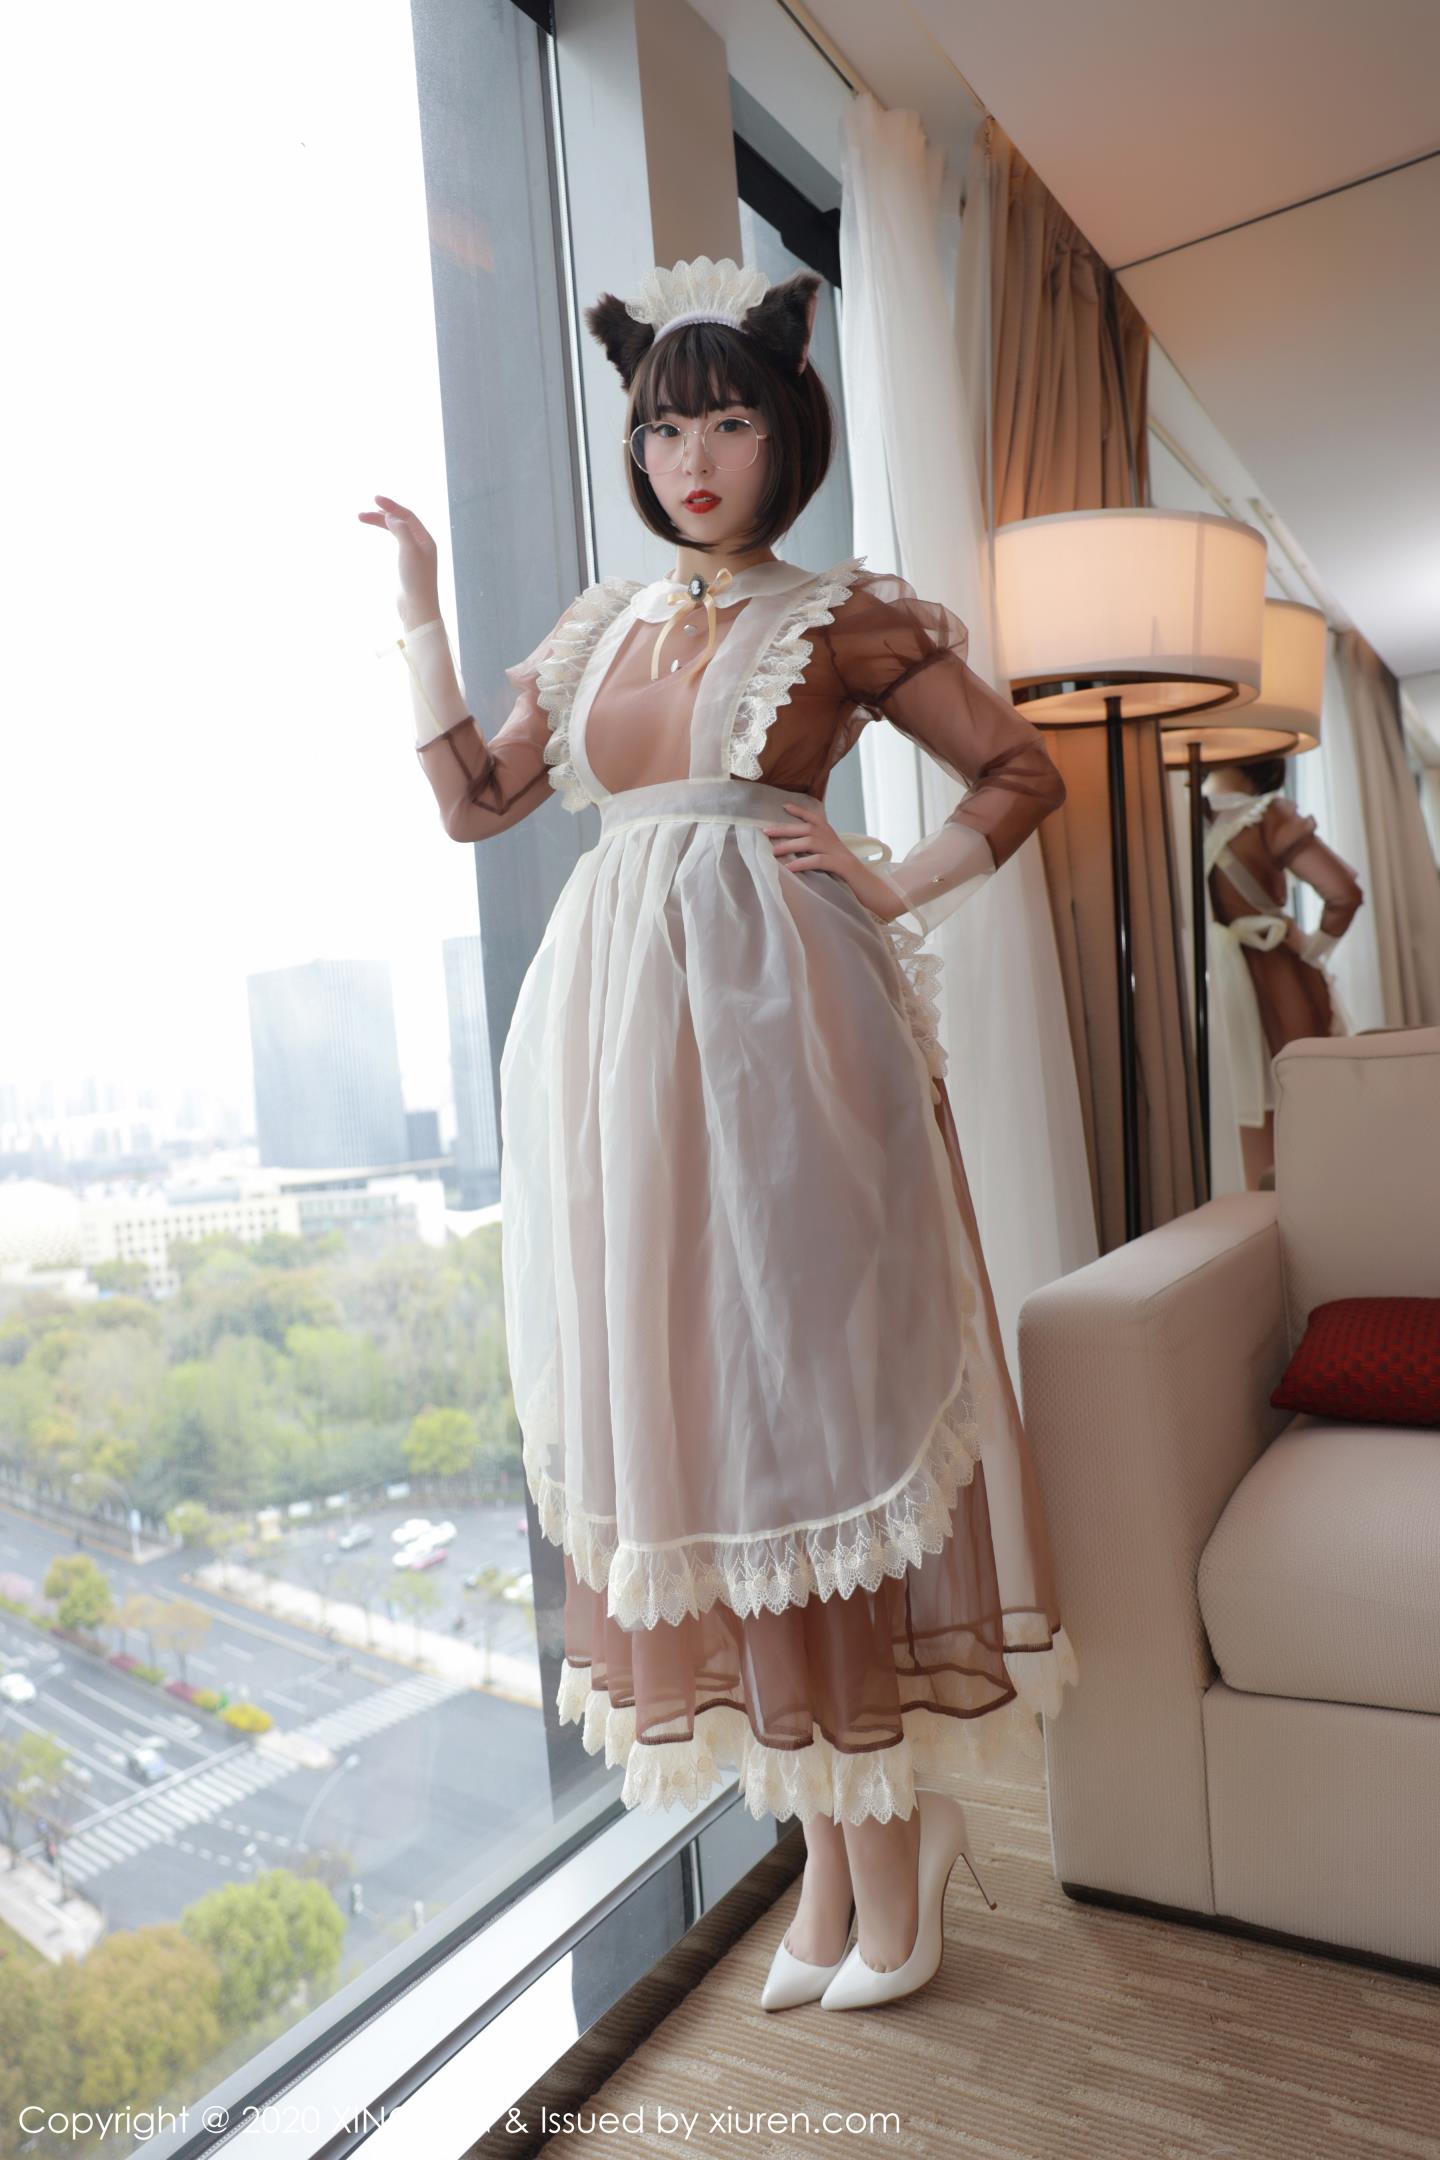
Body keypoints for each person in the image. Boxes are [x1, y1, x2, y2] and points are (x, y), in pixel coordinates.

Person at [361, 255, 1078, 2012]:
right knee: (700, 1437)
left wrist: (898, 879)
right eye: (664, 429)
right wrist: (420, 603)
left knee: (806, 1419)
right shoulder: (599, 629)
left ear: (786, 436)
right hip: (623, 1063)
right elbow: (475, 803)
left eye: (730, 422)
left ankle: (892, 1848)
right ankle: (827, 1856)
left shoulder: (846, 618)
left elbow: (1022, 771)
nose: (692, 459)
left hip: (796, 1044)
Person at [1203, 755, 1365, 1189]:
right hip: (1276, 976)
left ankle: (1258, 1219)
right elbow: (1344, 892)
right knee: (1304, 1104)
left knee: (1243, 1113)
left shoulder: (1178, 818)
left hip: (1212, 984)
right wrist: (1313, 947)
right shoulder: (1265, 817)